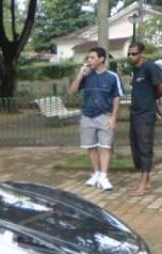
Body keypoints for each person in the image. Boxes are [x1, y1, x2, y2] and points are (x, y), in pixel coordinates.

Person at [69, 46, 123, 191]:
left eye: (92, 57)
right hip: (87, 116)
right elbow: (72, 91)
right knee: (91, 147)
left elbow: (116, 98)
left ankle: (104, 177)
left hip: (104, 116)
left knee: (105, 147)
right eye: (88, 58)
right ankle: (96, 173)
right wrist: (80, 75)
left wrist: (113, 118)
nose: (89, 60)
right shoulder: (86, 76)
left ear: (101, 59)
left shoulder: (112, 76)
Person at [127, 43, 162, 196]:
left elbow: (160, 87)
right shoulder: (136, 70)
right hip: (135, 113)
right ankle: (145, 182)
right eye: (129, 54)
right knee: (136, 148)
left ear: (142, 53)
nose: (131, 57)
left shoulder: (150, 67)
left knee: (144, 148)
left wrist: (153, 100)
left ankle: (143, 183)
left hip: (146, 114)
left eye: (134, 54)